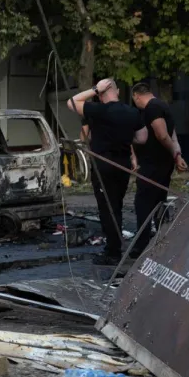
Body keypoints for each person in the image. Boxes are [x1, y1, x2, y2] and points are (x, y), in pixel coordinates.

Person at [68, 79, 149, 265]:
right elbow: (142, 138)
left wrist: (94, 89)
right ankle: (115, 247)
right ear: (117, 91)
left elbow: (72, 102)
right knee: (116, 205)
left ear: (100, 93)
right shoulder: (132, 112)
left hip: (103, 164)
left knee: (107, 208)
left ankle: (113, 252)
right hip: (122, 164)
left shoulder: (98, 110)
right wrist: (124, 140)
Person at [129, 82, 188, 257]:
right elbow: (173, 135)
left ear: (136, 96)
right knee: (159, 200)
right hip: (163, 163)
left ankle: (142, 244)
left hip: (153, 164)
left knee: (143, 203)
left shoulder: (152, 108)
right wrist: (177, 154)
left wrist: (174, 154)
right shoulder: (163, 106)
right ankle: (162, 240)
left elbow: (162, 135)